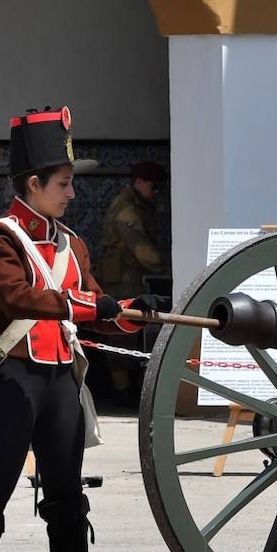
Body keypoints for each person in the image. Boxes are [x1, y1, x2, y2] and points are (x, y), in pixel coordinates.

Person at [0, 106, 154, 552]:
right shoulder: (1, 239)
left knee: (68, 502)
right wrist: (90, 305)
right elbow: (17, 297)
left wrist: (134, 311)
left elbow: (97, 305)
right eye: (63, 184)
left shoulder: (73, 244)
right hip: (13, 380)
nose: (71, 194)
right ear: (34, 184)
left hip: (61, 380)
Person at [98, 160, 169, 398]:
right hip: (122, 281)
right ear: (139, 182)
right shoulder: (127, 211)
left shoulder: (140, 205)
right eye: (153, 186)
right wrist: (171, 266)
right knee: (121, 333)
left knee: (131, 332)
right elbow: (144, 252)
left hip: (132, 278)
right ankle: (122, 391)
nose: (156, 192)